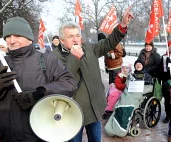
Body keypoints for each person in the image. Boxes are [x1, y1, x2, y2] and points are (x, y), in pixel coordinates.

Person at [52, 7, 133, 142]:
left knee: (96, 139)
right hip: (73, 113)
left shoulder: (89, 48)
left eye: (77, 35)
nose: (75, 39)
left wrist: (123, 25)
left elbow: (108, 43)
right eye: (70, 36)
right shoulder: (55, 56)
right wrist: (74, 57)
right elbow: (62, 78)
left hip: (94, 108)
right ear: (61, 40)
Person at [0, 16, 78, 142]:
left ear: (29, 39)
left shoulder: (46, 60)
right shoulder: (1, 62)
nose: (12, 41)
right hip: (6, 136)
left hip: (38, 134)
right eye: (8, 36)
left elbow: (70, 84)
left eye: (17, 36)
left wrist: (39, 94)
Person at [160, 40, 171, 124]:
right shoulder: (164, 57)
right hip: (166, 81)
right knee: (167, 100)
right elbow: (160, 69)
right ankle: (168, 115)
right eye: (169, 45)